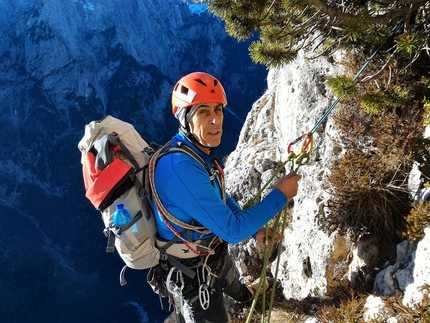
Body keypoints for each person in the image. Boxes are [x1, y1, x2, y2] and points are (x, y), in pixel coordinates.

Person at [151, 72, 301, 323]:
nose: (215, 120)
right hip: (192, 272)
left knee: (230, 277)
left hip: (210, 251)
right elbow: (232, 231)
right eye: (202, 112)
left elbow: (217, 195)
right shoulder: (181, 168)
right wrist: (280, 195)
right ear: (185, 119)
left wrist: (255, 230)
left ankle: (245, 296)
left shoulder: (193, 151)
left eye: (218, 110)